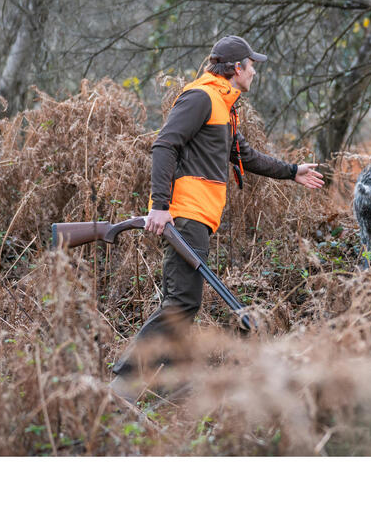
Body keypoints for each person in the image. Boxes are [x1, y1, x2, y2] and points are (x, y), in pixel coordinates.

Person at [110, 35, 324, 404]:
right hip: (186, 215)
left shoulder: (223, 105)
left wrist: (293, 171)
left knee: (184, 303)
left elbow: (245, 155)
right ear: (237, 68)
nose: (255, 71)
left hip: (199, 217)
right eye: (252, 65)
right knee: (180, 303)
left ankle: (170, 384)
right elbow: (164, 145)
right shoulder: (202, 97)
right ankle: (121, 385)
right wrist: (160, 206)